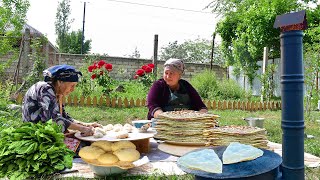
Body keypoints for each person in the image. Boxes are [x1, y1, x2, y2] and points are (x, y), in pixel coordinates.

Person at [22, 64, 100, 152]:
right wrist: (81, 128)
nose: (73, 89)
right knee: (85, 148)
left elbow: (64, 116)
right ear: (60, 82)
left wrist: (85, 124)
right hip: (37, 137)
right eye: (72, 85)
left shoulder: (56, 92)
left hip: (47, 133)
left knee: (90, 143)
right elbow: (53, 119)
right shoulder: (45, 88)